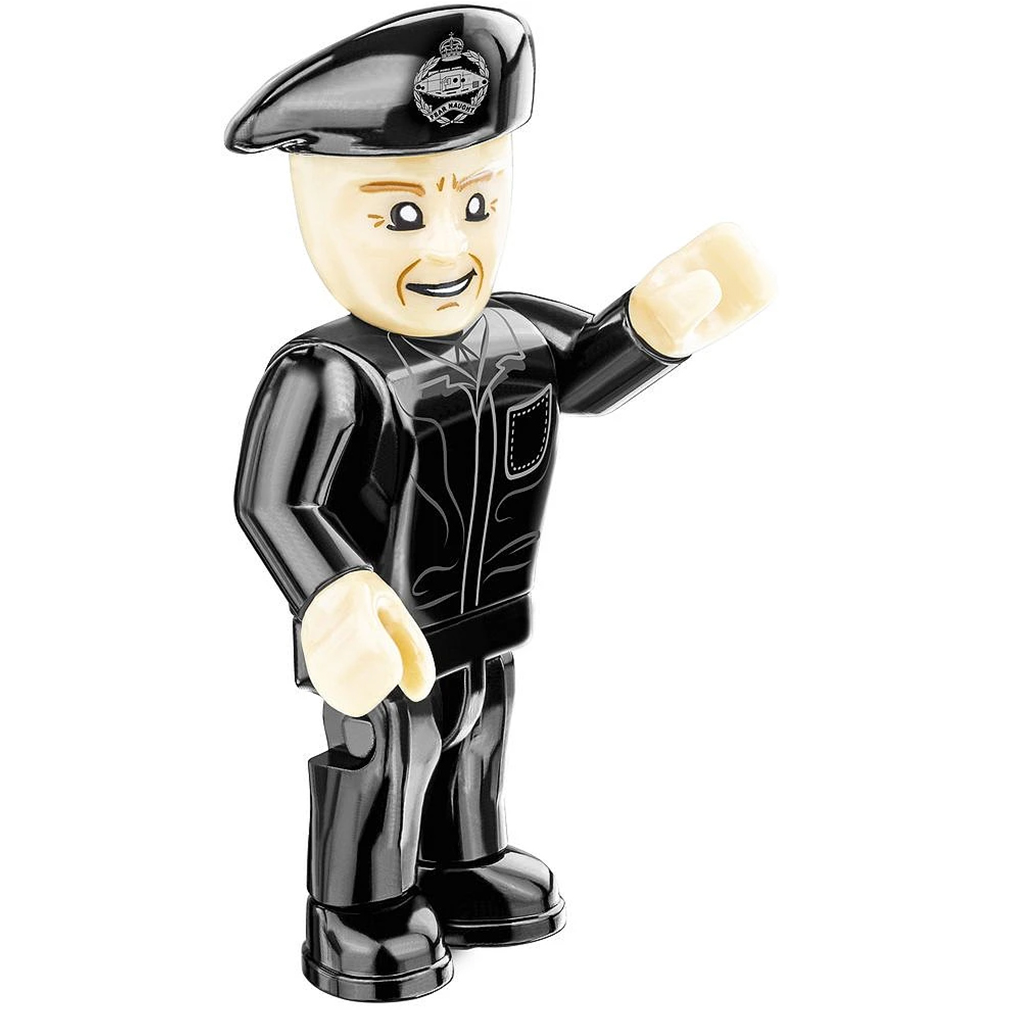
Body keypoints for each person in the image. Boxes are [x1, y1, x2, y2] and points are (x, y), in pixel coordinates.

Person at [227, 5, 773, 1002]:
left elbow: (587, 374)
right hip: (388, 633)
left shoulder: (513, 332)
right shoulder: (327, 373)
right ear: (314, 210)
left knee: (478, 730)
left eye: (476, 204)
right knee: (389, 754)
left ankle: (464, 860)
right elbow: (276, 501)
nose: (448, 247)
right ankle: (359, 905)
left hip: (484, 612)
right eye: (402, 217)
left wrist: (659, 324)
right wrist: (335, 594)